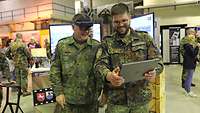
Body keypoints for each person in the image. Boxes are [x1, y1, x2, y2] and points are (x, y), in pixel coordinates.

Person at [94, 3, 163, 113]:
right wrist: (108, 75)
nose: (121, 24)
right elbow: (99, 65)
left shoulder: (144, 38)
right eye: (116, 22)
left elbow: (158, 61)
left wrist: (155, 71)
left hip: (141, 99)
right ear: (112, 21)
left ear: (130, 17)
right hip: (117, 101)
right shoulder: (107, 42)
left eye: (124, 20)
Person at [49, 13, 102, 113]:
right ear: (73, 27)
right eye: (82, 28)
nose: (85, 31)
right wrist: (58, 92)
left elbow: (101, 70)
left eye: (88, 28)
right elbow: (55, 70)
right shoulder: (62, 46)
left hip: (90, 101)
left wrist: (103, 92)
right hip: (68, 101)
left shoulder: (96, 46)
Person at [182, 29, 199, 97]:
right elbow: (193, 54)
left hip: (189, 63)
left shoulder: (188, 45)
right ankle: (188, 91)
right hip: (190, 64)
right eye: (193, 35)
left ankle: (186, 90)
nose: (194, 36)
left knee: (188, 77)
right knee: (189, 77)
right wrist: (197, 47)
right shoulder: (188, 45)